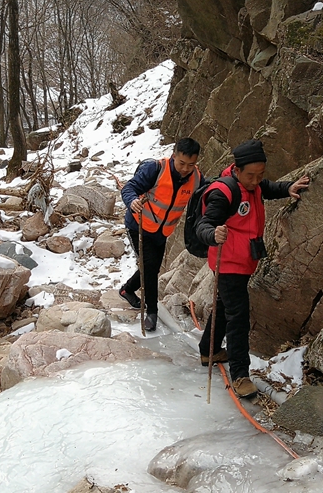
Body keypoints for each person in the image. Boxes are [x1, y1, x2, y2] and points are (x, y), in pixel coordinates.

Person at [195, 139, 310, 398]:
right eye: (250, 175)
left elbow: (266, 188)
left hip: (243, 261)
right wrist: (213, 233)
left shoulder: (253, 185)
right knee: (239, 318)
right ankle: (240, 375)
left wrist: (287, 187)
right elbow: (203, 224)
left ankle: (208, 350)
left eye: (260, 174)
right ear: (236, 170)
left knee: (226, 306)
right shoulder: (222, 193)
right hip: (228, 264)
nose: (256, 180)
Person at [119, 138, 204, 331]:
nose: (185, 169)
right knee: (149, 267)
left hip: (162, 231)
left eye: (190, 165)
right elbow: (129, 188)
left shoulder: (197, 178)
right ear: (174, 156)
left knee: (152, 266)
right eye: (181, 163)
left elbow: (206, 196)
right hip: (138, 226)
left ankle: (127, 289)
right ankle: (152, 312)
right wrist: (132, 201)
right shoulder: (155, 170)